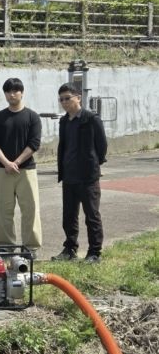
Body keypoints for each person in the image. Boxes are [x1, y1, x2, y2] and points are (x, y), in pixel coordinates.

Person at [51, 83, 107, 263]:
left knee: (91, 215)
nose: (64, 102)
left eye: (67, 98)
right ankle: (70, 249)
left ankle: (94, 252)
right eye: (61, 99)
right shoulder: (64, 121)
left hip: (87, 177)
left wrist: (93, 164)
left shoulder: (91, 119)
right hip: (69, 176)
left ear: (78, 97)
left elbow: (102, 146)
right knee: (69, 216)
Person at [0, 78, 42, 255]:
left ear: (22, 92)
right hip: (2, 170)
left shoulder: (32, 117)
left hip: (26, 170)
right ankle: (4, 245)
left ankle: (31, 247)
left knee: (30, 209)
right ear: (5, 94)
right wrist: (6, 163)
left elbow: (34, 143)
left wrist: (16, 162)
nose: (12, 94)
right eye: (8, 91)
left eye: (15, 91)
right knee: (2, 209)